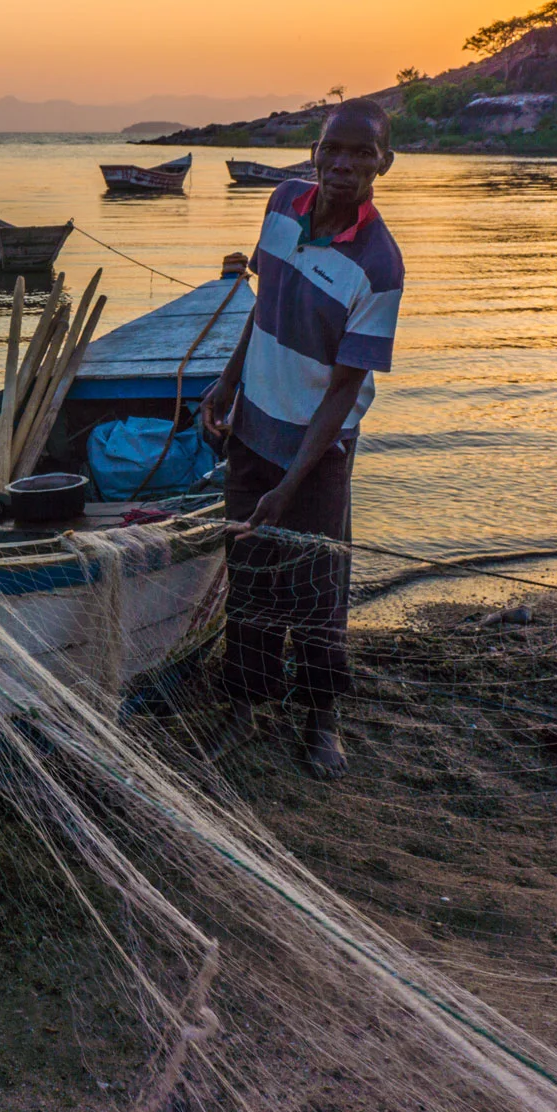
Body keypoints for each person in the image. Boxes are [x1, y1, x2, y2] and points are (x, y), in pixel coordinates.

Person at [200, 97, 402, 780]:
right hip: (253, 426)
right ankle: (243, 706)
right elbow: (266, 302)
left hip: (317, 452)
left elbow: (345, 387)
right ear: (313, 154)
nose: (344, 164)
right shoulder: (284, 203)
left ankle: (321, 717)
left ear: (385, 163)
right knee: (250, 574)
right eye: (332, 150)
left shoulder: (379, 265)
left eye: (361, 153)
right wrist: (228, 381)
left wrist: (292, 484)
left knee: (317, 587)